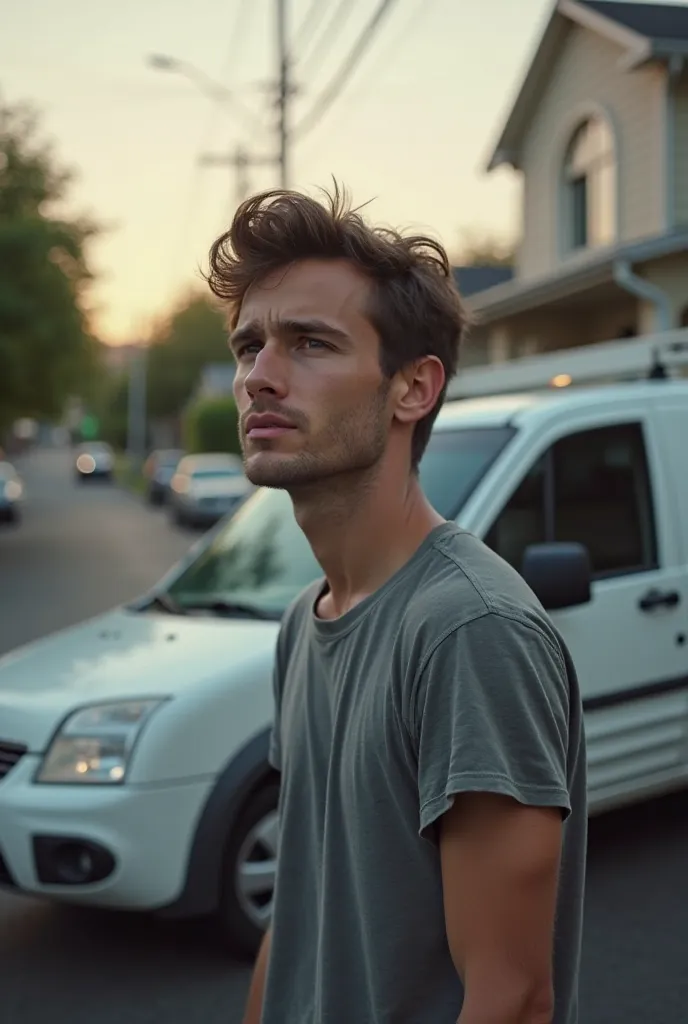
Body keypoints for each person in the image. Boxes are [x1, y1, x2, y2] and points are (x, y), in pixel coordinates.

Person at [207, 184, 587, 1024]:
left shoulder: (470, 630)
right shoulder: (307, 621)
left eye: (309, 343)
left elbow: (513, 998)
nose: (260, 378)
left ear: (413, 388)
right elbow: (302, 907)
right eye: (249, 347)